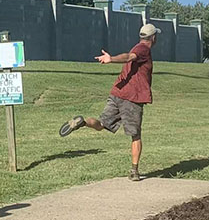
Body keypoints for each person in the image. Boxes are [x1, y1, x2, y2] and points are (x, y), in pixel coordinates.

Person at [59, 23, 161, 181]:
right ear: (153, 38)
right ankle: (134, 171)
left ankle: (83, 122)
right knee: (135, 135)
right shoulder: (143, 49)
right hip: (131, 99)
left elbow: (130, 57)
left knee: (101, 125)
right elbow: (129, 56)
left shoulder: (138, 47)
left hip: (117, 93)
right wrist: (111, 59)